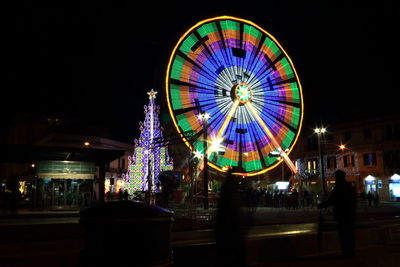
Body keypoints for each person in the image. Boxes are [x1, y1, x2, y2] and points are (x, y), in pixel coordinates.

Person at [318, 170, 356, 258]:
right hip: (350, 214)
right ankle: (351, 252)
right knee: (350, 234)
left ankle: (346, 253)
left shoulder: (339, 187)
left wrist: (321, 205)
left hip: (342, 215)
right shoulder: (349, 187)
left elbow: (332, 200)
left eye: (336, 177)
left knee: (344, 235)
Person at [215, 167, 247, 267]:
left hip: (227, 232)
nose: (242, 178)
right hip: (231, 233)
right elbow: (233, 211)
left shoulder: (228, 188)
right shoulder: (231, 189)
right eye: (241, 176)